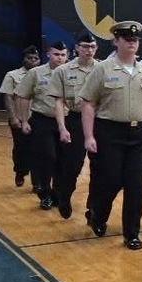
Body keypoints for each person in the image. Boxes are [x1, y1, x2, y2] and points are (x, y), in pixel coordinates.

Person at [78, 20, 142, 250]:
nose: (132, 43)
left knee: (137, 184)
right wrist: (88, 136)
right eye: (127, 39)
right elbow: (88, 104)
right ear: (116, 41)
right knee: (109, 181)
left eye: (135, 40)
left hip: (140, 133)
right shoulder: (102, 69)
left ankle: (131, 232)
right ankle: (98, 216)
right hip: (109, 132)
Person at [49, 31, 99, 220]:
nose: (89, 50)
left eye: (93, 46)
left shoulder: (103, 69)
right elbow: (59, 102)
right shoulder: (63, 71)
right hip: (75, 120)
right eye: (85, 46)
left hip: (99, 121)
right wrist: (62, 127)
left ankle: (93, 208)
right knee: (72, 166)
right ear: (76, 48)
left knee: (100, 167)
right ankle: (65, 196)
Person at [15, 41, 69, 210]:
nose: (59, 58)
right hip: (42, 120)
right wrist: (24, 120)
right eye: (56, 54)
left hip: (68, 122)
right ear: (48, 54)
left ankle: (58, 193)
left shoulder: (72, 74)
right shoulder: (36, 73)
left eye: (62, 55)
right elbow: (23, 96)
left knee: (64, 161)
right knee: (47, 157)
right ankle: (45, 193)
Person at [0, 45, 41, 189]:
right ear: (24, 59)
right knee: (21, 149)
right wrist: (13, 118)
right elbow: (8, 97)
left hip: (38, 118)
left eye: (36, 58)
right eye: (30, 58)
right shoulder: (13, 75)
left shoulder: (43, 75)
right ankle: (20, 172)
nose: (33, 61)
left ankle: (38, 183)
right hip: (20, 118)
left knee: (39, 151)